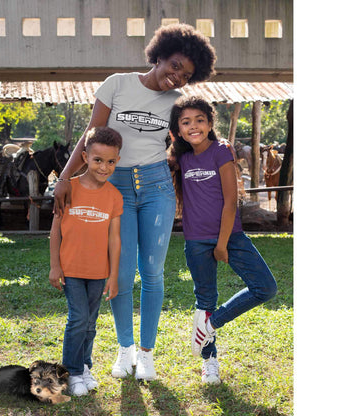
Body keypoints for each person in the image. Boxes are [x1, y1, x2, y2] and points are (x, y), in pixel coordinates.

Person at [53, 23, 216, 381]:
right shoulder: (118, 84)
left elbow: (194, 136)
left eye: (186, 75)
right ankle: (124, 350)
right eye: (174, 65)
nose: (176, 77)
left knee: (154, 273)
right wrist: (65, 178)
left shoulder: (177, 103)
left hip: (157, 187)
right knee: (121, 273)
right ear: (158, 55)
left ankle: (146, 355)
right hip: (119, 189)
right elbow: (90, 138)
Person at [168, 95, 277, 384]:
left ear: (210, 123)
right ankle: (209, 361)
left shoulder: (221, 151)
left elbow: (231, 203)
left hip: (231, 237)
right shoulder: (181, 157)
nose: (194, 126)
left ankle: (212, 323)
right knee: (205, 298)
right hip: (195, 241)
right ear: (178, 130)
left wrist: (221, 243)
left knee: (265, 287)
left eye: (200, 120)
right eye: (186, 122)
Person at [49, 127, 123, 396]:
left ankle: (84, 365)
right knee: (78, 318)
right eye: (97, 160)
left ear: (117, 160)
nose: (104, 167)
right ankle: (71, 372)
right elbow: (55, 230)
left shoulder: (115, 196)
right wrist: (55, 265)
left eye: (111, 161)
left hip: (98, 272)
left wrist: (113, 276)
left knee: (90, 323)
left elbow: (115, 239)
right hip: (71, 269)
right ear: (85, 157)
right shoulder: (69, 189)